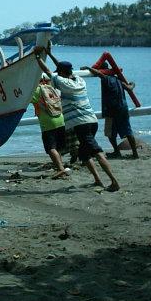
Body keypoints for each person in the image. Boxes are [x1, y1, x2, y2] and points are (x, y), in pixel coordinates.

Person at [33, 42, 120, 192]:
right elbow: (60, 67)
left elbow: (48, 71)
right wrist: (51, 54)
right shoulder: (79, 80)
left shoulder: (60, 81)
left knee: (97, 152)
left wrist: (36, 57)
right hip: (92, 120)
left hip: (81, 124)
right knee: (84, 155)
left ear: (60, 73)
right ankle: (98, 181)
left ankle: (114, 181)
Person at [82, 65, 140, 159]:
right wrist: (133, 83)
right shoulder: (118, 80)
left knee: (110, 132)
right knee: (127, 130)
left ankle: (117, 151)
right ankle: (135, 153)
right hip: (123, 107)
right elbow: (129, 88)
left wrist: (88, 68)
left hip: (111, 109)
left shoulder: (106, 78)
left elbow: (98, 73)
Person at [30, 73, 69, 179]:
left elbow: (26, 99)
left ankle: (61, 169)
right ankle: (60, 166)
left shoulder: (35, 91)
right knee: (58, 147)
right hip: (60, 119)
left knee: (50, 148)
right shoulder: (51, 88)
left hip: (48, 122)